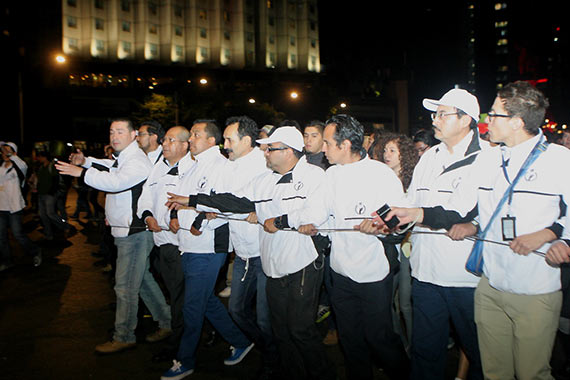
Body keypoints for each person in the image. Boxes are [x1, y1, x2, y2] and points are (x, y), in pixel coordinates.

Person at [373, 81, 570, 380]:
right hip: (462, 277)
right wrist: (388, 219)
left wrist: (558, 236)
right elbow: (471, 209)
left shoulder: (531, 158)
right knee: (476, 365)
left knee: (519, 368)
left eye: (442, 114)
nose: (434, 120)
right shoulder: (461, 158)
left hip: (497, 279)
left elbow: (459, 209)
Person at [167, 126, 334, 380]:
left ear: (289, 151)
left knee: (300, 329)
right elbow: (234, 201)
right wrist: (193, 200)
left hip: (304, 262)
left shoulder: (315, 176)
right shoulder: (263, 181)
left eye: (270, 148)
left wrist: (278, 221)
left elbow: (316, 214)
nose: (264, 152)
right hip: (272, 264)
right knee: (280, 331)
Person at [298, 115, 410, 380]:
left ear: (345, 144)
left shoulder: (380, 174)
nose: (323, 148)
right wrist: (307, 222)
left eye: (327, 142)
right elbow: (316, 210)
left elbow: (400, 223)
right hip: (340, 271)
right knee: (350, 340)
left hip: (373, 272)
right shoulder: (331, 175)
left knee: (378, 337)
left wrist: (382, 227)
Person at [55, 118, 172, 354]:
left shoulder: (137, 161)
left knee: (125, 286)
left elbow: (116, 182)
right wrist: (86, 161)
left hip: (135, 231)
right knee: (140, 281)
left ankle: (124, 335)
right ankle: (167, 322)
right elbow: (110, 167)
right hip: (128, 230)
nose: (114, 136)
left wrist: (82, 171)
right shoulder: (125, 158)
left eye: (120, 132)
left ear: (133, 136)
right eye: (111, 132)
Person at [160, 119, 253, 380]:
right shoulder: (193, 166)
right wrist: (176, 217)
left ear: (211, 141)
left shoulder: (222, 167)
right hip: (189, 245)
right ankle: (241, 340)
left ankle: (185, 360)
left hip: (209, 247)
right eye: (190, 135)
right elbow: (179, 199)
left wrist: (200, 220)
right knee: (206, 301)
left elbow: (226, 205)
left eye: (196, 135)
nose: (190, 140)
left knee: (192, 306)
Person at [208, 115, 278, 377]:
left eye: (229, 139)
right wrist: (213, 207)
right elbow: (219, 198)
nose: (225, 145)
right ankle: (266, 348)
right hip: (242, 252)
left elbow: (253, 200)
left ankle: (272, 360)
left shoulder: (264, 163)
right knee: (237, 310)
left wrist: (251, 208)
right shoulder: (229, 165)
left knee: (263, 317)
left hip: (264, 251)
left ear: (247, 140)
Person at [137, 126, 195, 362]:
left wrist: (175, 218)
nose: (165, 144)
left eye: (172, 140)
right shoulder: (159, 167)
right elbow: (146, 196)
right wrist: (148, 216)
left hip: (181, 244)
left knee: (180, 298)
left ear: (184, 145)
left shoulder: (192, 168)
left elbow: (193, 202)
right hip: (162, 243)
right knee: (179, 295)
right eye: (165, 140)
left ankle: (179, 346)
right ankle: (203, 332)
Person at [372, 132, 419, 352]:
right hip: (385, 249)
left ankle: (414, 347)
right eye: (385, 150)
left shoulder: (414, 182)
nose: (386, 154)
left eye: (392, 150)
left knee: (406, 304)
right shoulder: (379, 181)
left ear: (405, 154)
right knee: (386, 303)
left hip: (408, 249)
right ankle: (397, 346)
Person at [0, 142, 42, 270]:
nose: (5, 153)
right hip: (1, 207)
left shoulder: (19, 167)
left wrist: (11, 154)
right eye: (3, 151)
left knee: (17, 234)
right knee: (1, 237)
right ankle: (7, 261)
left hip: (14, 207)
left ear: (14, 153)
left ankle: (35, 251)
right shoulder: (0, 167)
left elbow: (23, 165)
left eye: (8, 150)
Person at [35, 150, 76, 240]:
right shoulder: (41, 167)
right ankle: (48, 233)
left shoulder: (51, 166)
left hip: (49, 194)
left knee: (50, 213)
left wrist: (52, 192)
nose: (38, 158)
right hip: (41, 194)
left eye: (39, 156)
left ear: (44, 157)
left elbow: (55, 180)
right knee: (43, 215)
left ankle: (65, 226)